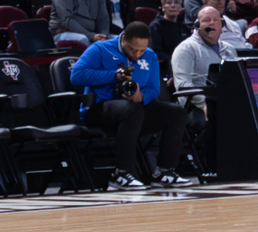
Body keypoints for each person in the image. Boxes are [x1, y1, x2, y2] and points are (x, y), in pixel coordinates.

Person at [70, 21, 190, 188]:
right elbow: (76, 76)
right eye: (133, 49)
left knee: (176, 112)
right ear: (124, 38)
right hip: (100, 108)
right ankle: (121, 173)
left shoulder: (150, 56)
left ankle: (164, 171)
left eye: (141, 50)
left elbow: (154, 89)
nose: (137, 54)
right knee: (132, 110)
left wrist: (141, 97)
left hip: (134, 109)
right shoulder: (100, 49)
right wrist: (114, 76)